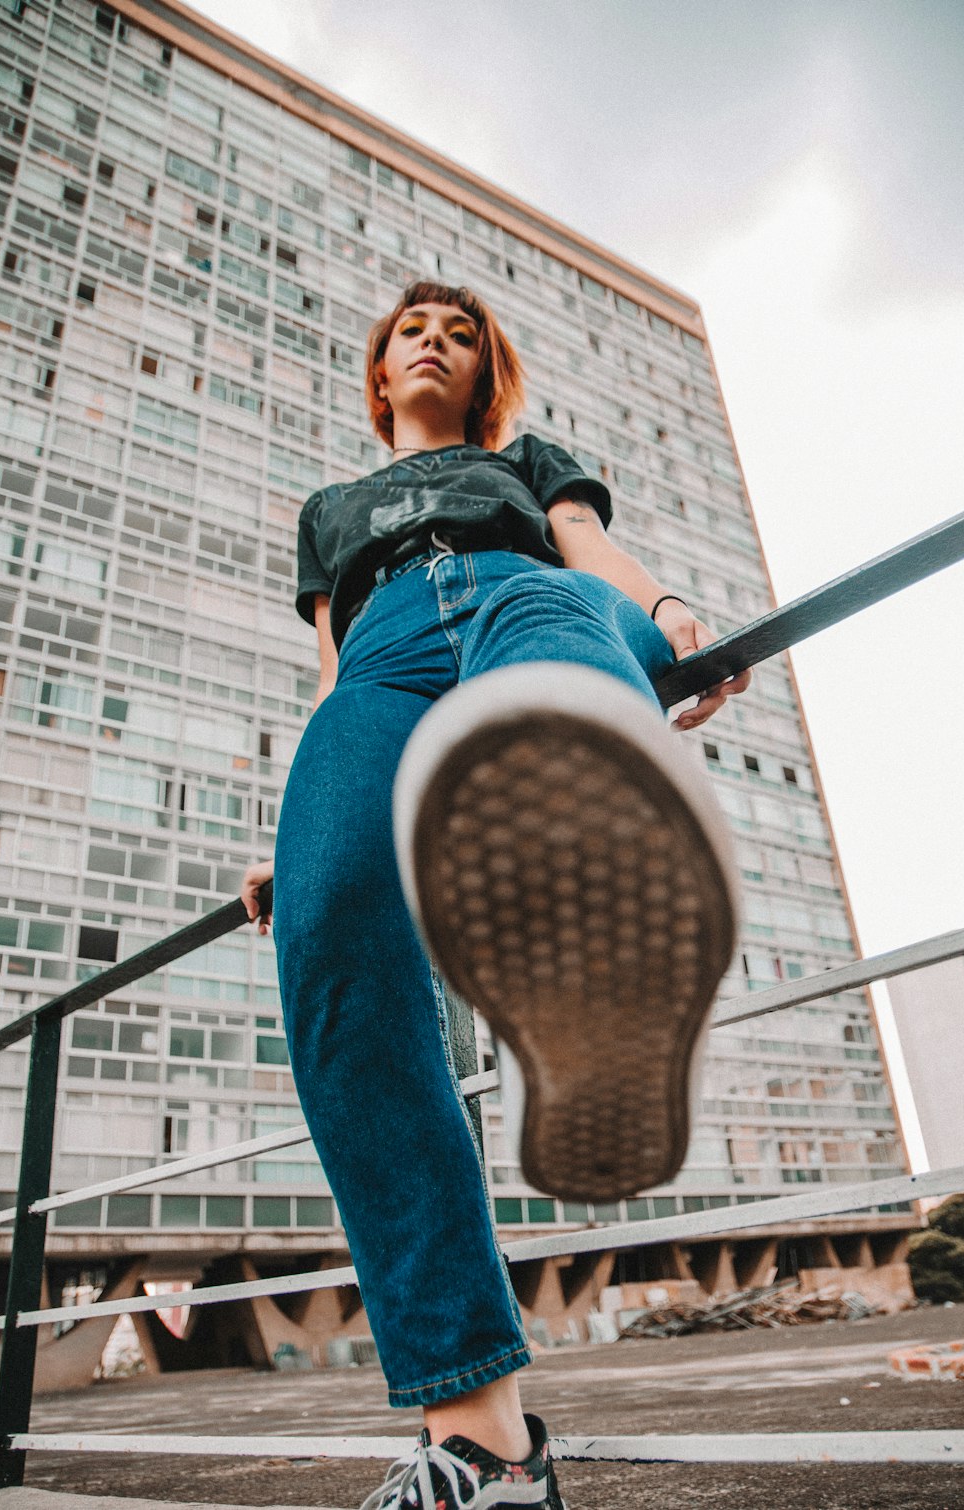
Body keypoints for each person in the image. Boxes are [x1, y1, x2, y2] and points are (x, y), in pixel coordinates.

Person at [240, 280, 751, 1509]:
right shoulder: (332, 510)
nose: (436, 342)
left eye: (460, 334)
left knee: (561, 632)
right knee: (329, 931)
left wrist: (673, 611)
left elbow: (588, 554)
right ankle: (487, 1449)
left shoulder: (525, 462)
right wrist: (304, 823)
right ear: (380, 373)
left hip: (527, 599)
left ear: (485, 373)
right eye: (414, 330)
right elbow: (332, 671)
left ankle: (590, 924)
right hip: (384, 659)